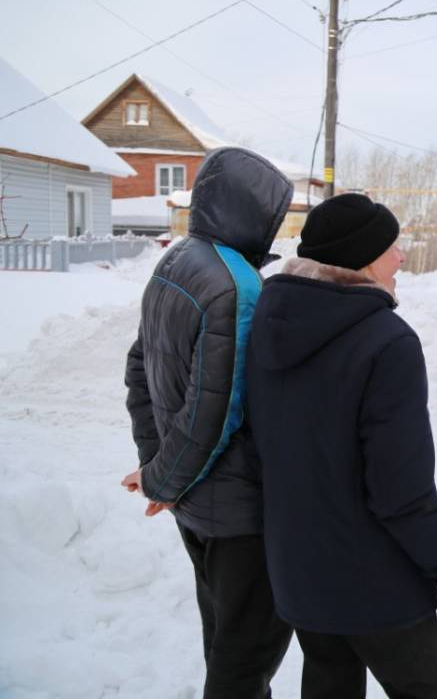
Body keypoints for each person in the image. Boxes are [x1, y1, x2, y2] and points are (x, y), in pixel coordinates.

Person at [244, 193, 437, 699]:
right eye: (392, 247)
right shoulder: (386, 341)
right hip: (377, 586)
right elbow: (401, 492)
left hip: (300, 574)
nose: (401, 258)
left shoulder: (268, 321)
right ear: (362, 257)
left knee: (329, 684)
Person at [122, 146, 295, 698]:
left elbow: (138, 366)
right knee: (243, 663)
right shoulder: (236, 287)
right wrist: (161, 478)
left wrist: (158, 467)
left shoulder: (176, 260)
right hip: (239, 514)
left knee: (223, 641)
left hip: (198, 506)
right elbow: (214, 413)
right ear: (252, 210)